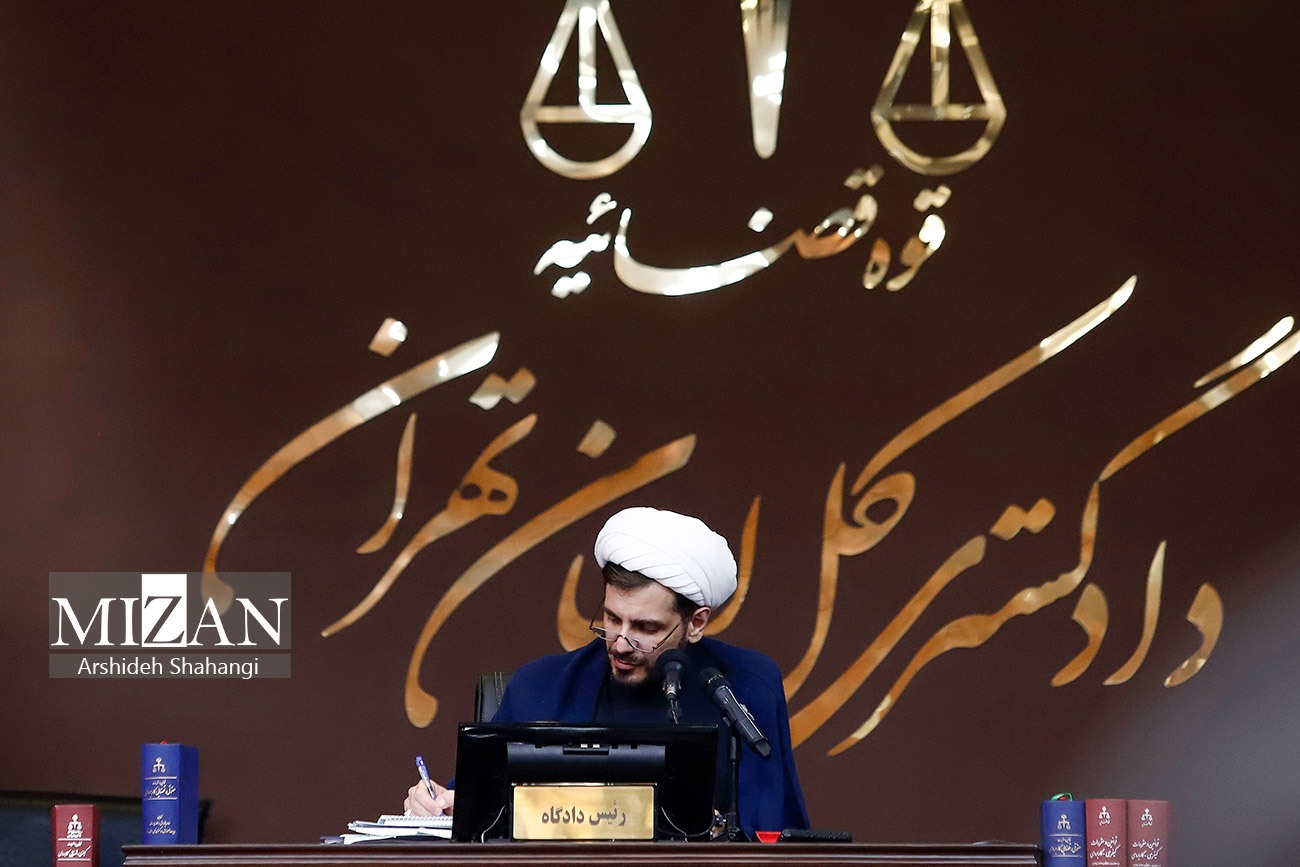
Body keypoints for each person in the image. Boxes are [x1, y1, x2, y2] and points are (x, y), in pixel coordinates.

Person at [404, 506, 810, 837]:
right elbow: (472, 811)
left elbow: (775, 834)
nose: (620, 643)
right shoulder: (537, 687)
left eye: (646, 628)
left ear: (696, 623)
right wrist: (434, 805)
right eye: (613, 619)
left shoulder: (744, 688)